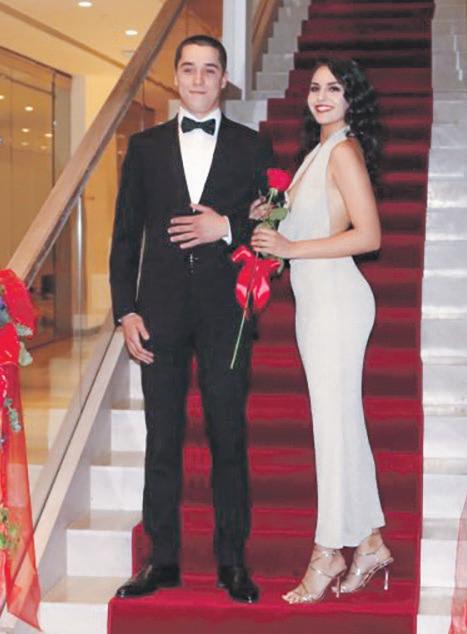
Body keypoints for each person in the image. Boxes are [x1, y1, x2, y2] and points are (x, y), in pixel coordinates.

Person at [109, 34, 274, 603]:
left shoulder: (253, 145)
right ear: (175, 76)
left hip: (227, 311)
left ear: (224, 79)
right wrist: (125, 311)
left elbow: (273, 223)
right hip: (159, 310)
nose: (199, 79)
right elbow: (125, 235)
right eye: (188, 69)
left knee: (228, 434)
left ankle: (232, 561)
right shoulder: (144, 147)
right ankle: (162, 560)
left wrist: (225, 227)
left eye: (209, 70)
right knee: (162, 436)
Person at [250, 58, 393, 604]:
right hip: (316, 302)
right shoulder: (316, 152)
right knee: (340, 426)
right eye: (315, 88)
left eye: (334, 88)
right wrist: (272, 219)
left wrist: (291, 245)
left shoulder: (344, 150)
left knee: (333, 430)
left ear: (352, 98)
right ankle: (370, 543)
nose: (322, 96)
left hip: (337, 301)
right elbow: (311, 224)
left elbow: (369, 235)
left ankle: (328, 550)